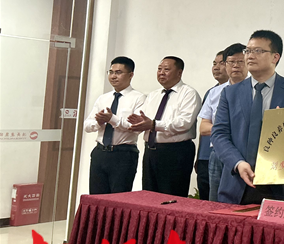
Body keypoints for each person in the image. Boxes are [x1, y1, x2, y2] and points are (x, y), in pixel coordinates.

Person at [212, 30, 284, 205]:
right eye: (248, 51)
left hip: (279, 186)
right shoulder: (230, 93)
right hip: (236, 183)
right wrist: (238, 163)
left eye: (258, 51)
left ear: (275, 57)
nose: (250, 56)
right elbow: (219, 134)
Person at [128, 56, 201, 197]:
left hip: (176, 152)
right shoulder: (153, 95)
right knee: (149, 195)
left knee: (171, 197)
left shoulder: (189, 93)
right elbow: (147, 120)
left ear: (179, 73)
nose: (161, 72)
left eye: (166, 69)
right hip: (151, 151)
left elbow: (184, 123)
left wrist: (153, 124)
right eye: (159, 69)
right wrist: (139, 123)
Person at [83, 56, 146, 194]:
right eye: (111, 72)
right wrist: (98, 122)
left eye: (118, 72)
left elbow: (135, 128)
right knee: (97, 198)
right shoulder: (103, 98)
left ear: (130, 75)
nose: (113, 76)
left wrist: (112, 119)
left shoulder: (139, 98)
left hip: (123, 154)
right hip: (100, 152)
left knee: (118, 198)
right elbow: (87, 125)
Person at [204, 43, 247, 202]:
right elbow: (203, 127)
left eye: (240, 62)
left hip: (244, 153)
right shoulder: (214, 92)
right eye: (231, 62)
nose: (235, 66)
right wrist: (224, 131)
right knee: (215, 201)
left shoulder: (255, 92)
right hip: (218, 153)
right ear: (226, 65)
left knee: (241, 201)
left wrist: (222, 130)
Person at [195, 51, 228, 200]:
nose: (216, 67)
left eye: (222, 63)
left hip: (225, 154)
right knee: (206, 199)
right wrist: (198, 157)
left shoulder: (241, 91)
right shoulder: (211, 92)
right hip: (205, 156)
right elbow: (202, 128)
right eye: (214, 63)